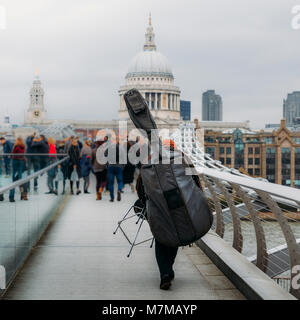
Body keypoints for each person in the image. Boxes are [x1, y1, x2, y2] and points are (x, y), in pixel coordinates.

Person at [106, 135, 125, 202]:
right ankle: (119, 190)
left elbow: (105, 155)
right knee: (120, 181)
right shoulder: (121, 148)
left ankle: (112, 197)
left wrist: (107, 165)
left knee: (111, 183)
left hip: (111, 166)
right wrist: (123, 166)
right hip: (119, 166)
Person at [9, 138, 26, 202]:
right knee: (20, 179)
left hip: (15, 161)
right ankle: (22, 194)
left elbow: (13, 153)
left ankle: (11, 197)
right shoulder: (23, 147)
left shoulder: (16, 147)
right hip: (21, 161)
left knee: (13, 179)